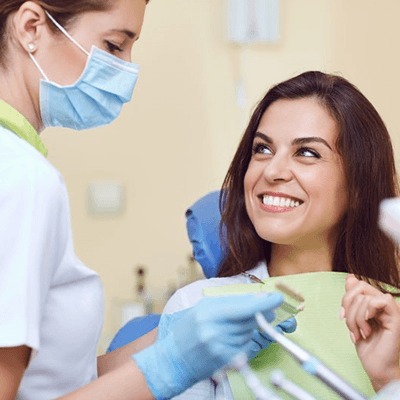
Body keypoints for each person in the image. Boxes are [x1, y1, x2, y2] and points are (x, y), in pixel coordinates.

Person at [0, 1, 293, 399]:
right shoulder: (22, 177)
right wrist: (171, 363)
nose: (127, 70)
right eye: (114, 45)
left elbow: (54, 381)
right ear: (32, 27)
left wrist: (169, 340)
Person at [162, 70, 400, 399]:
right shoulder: (197, 308)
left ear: (358, 186)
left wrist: (387, 381)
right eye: (262, 149)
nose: (272, 171)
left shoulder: (392, 320)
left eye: (307, 153)